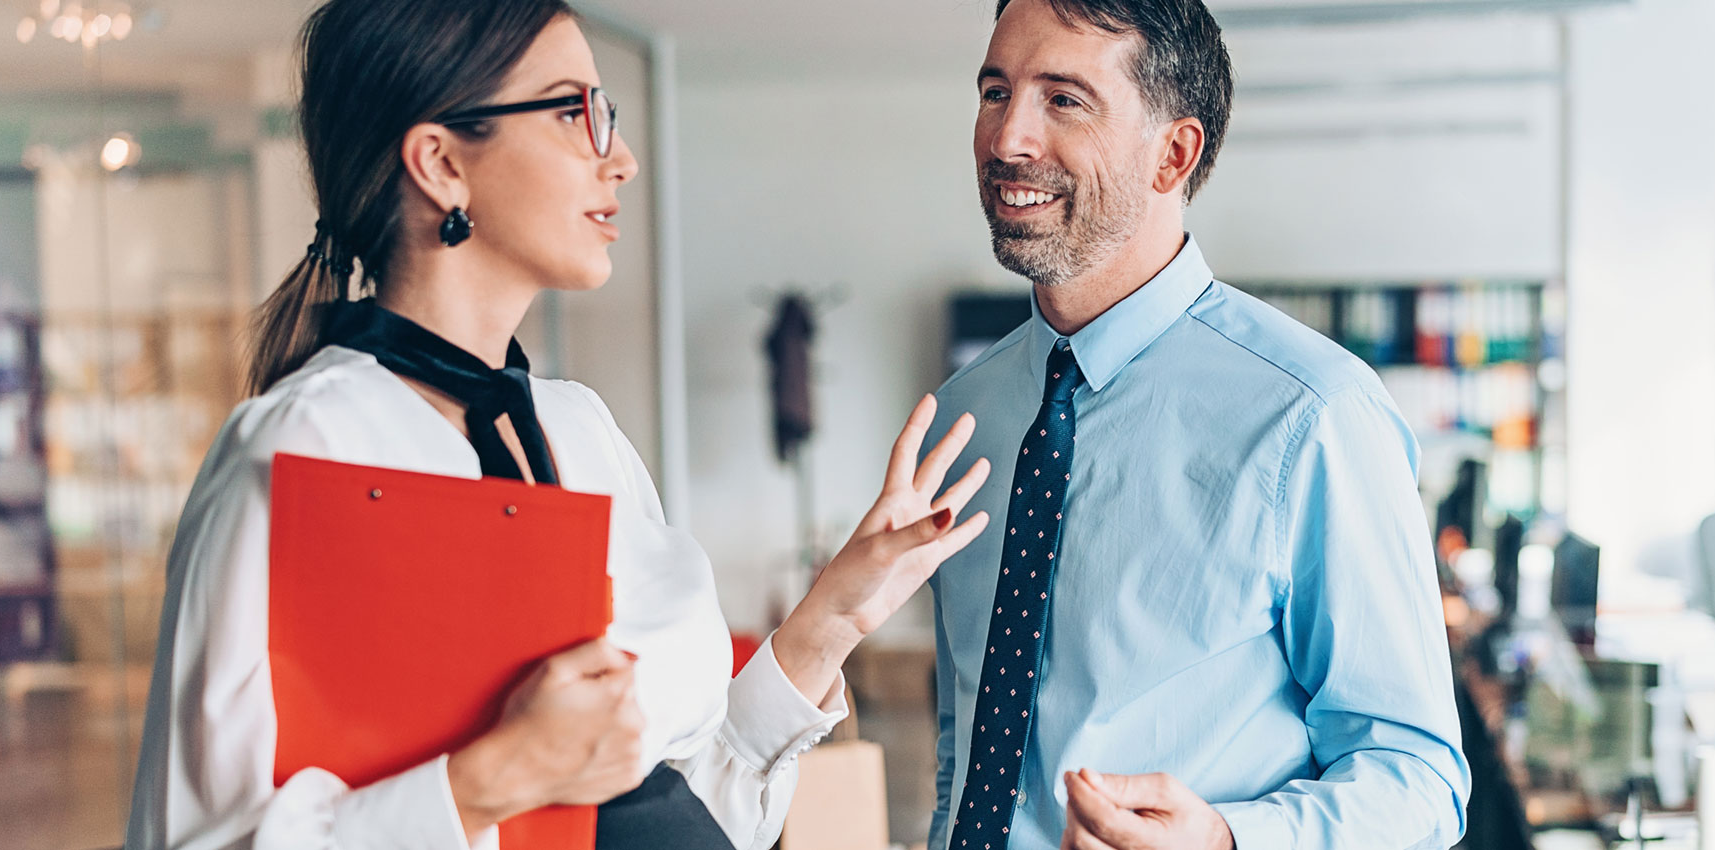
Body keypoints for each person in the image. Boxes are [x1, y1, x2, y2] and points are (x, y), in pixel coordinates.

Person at [124, 2, 993, 848]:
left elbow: (674, 812)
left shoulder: (581, 431)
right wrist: (490, 779)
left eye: (606, 114)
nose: (620, 160)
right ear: (441, 162)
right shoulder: (300, 450)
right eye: (576, 112)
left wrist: (828, 623)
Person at [923, 0, 1472, 848]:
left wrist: (1224, 840)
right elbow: (970, 736)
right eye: (996, 91)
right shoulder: (962, 417)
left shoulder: (1314, 416)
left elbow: (1418, 780)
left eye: (1062, 99)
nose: (1007, 139)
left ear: (1172, 154)